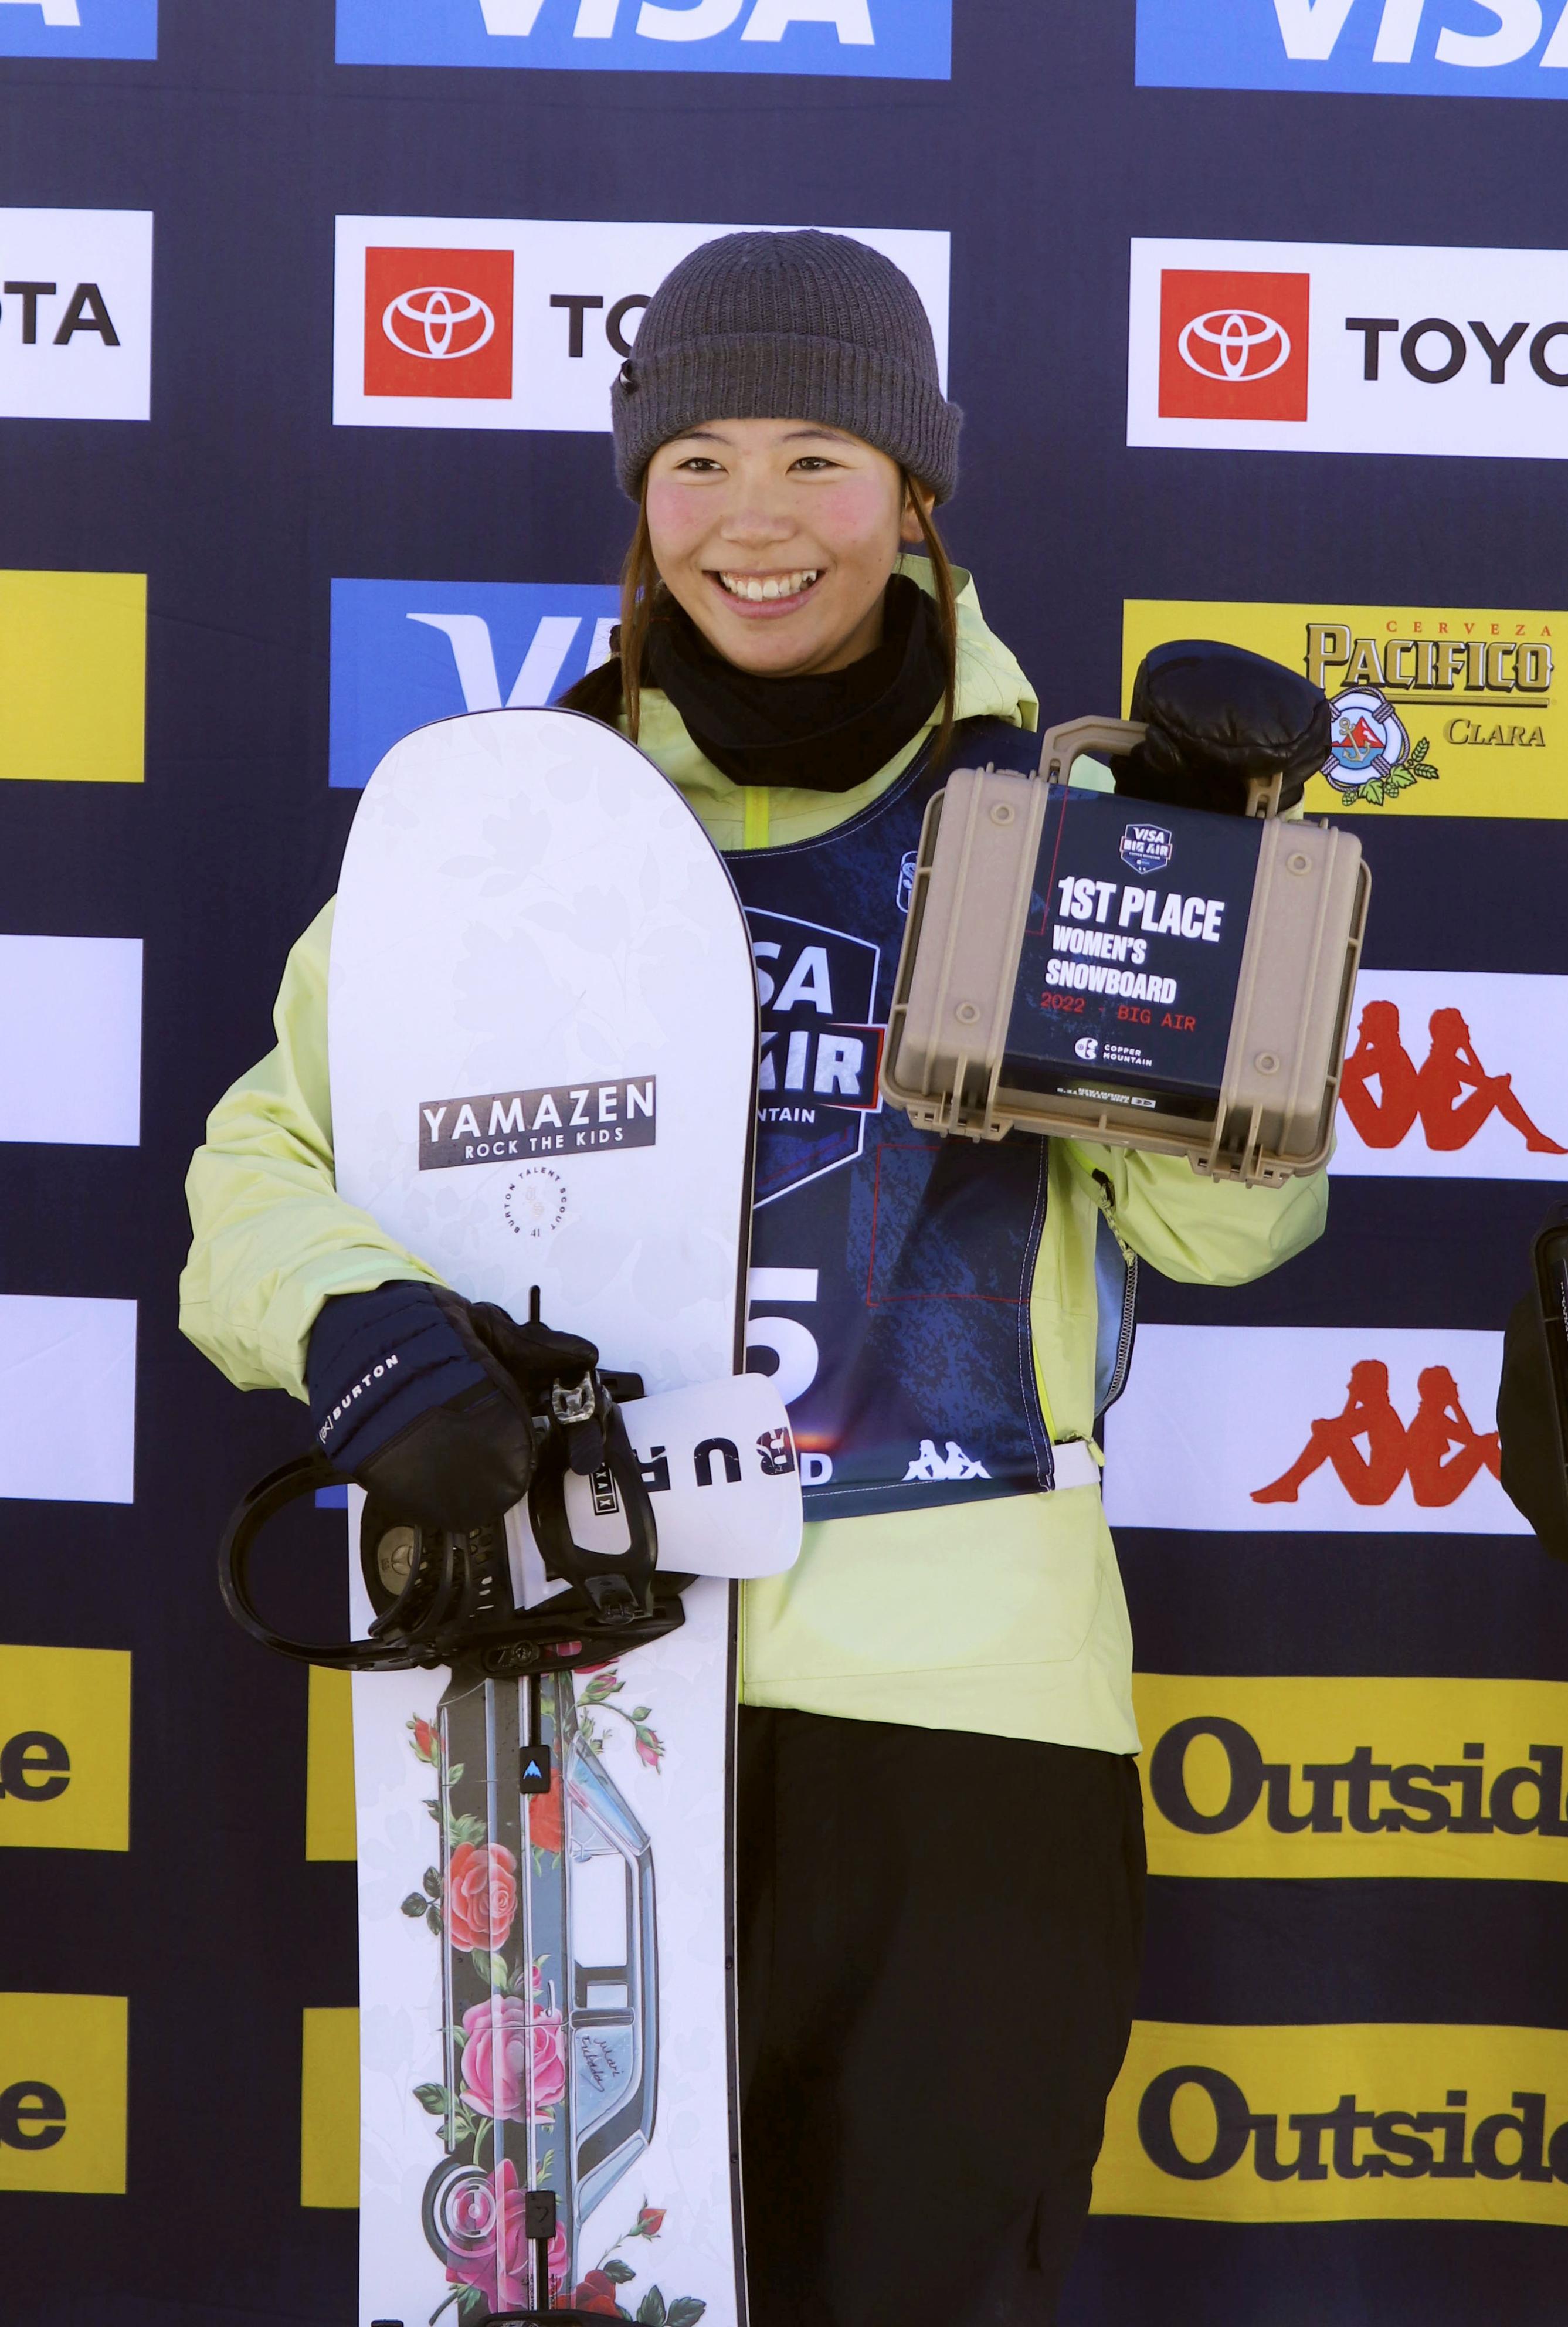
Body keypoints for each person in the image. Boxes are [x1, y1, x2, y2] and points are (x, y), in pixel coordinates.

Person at [180, 230, 1329, 2326]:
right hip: (572, 1672)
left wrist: (1196, 912)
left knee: (915, 2284)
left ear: (914, 495)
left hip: (959, 1704)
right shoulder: (517, 831)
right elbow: (263, 1160)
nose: (754, 519)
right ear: (639, 497)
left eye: (818, 455)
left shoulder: (1059, 810)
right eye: (696, 458)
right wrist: (357, 1331)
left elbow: (1222, 1231)